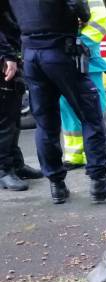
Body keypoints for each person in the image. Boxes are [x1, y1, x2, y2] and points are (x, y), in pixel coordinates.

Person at [6, 0, 106, 204]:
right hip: (61, 51)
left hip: (31, 55)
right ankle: (99, 182)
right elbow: (81, 7)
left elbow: (6, 19)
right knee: (91, 116)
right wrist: (82, 16)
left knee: (45, 124)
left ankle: (56, 185)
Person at [61, 0, 106, 170]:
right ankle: (74, 156)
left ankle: (95, 161)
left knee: (91, 112)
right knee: (66, 109)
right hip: (63, 58)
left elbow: (99, 21)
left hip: (86, 58)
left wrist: (77, 44)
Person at [0, 0, 43, 191]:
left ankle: (15, 163)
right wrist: (7, 54)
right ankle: (3, 171)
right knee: (4, 118)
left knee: (13, 116)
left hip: (12, 52)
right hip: (4, 57)